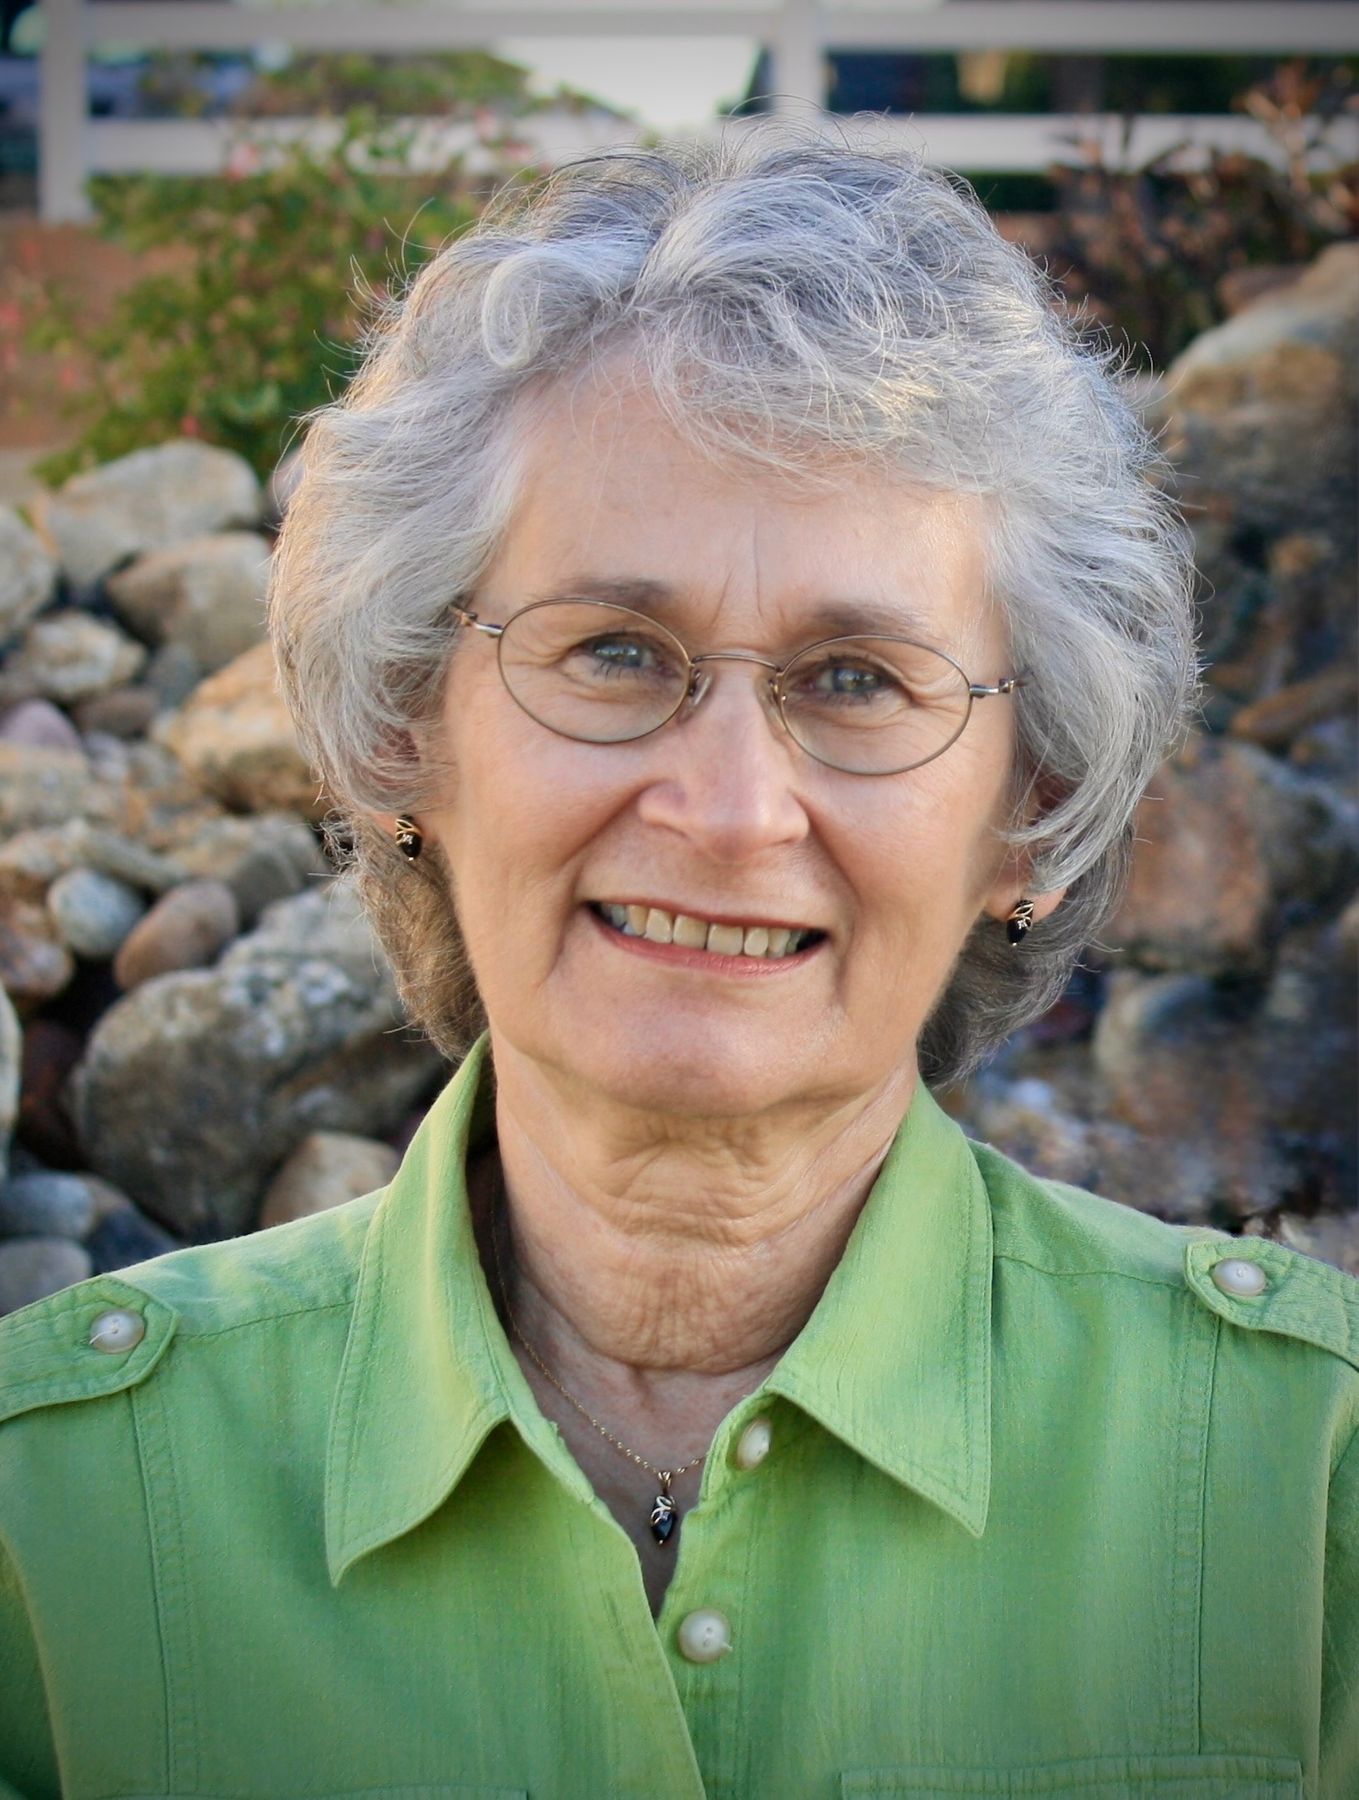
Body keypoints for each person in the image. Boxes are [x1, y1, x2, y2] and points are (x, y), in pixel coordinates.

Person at [1, 132, 1355, 1800]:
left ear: (1031, 811)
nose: (727, 811)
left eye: (857, 679)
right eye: (614, 653)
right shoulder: (54, 1521)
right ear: (410, 731)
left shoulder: (1310, 1498)